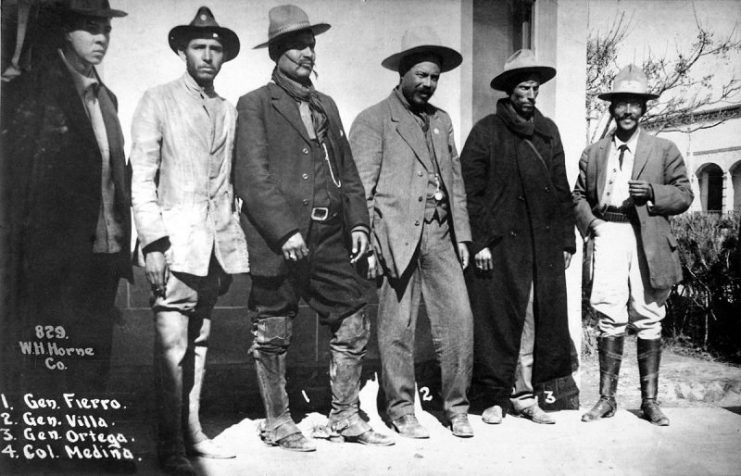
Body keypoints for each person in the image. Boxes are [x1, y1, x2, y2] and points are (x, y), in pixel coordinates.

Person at [234, 4, 394, 452]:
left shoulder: (327, 105)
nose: (307, 53)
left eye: (310, 44)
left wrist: (359, 223)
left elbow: (348, 172)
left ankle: (345, 415)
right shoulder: (255, 104)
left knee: (353, 319)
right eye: (296, 46)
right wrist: (285, 231)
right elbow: (252, 175)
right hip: (279, 240)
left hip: (329, 239)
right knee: (273, 330)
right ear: (277, 53)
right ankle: (278, 421)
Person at [130, 7, 249, 474]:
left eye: (216, 48)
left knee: (198, 343)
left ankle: (192, 434)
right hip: (174, 248)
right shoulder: (157, 100)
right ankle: (168, 445)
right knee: (171, 349)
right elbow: (142, 177)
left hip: (213, 250)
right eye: (199, 46)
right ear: (182, 50)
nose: (207, 55)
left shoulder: (228, 109)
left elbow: (228, 184)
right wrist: (154, 243)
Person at [349, 27, 474, 439]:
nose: (428, 84)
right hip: (394, 238)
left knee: (458, 320)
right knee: (396, 328)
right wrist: (366, 241)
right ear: (402, 73)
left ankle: (457, 408)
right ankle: (402, 409)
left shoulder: (442, 121)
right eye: (421, 75)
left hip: (440, 236)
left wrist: (464, 238)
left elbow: (454, 182)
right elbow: (360, 189)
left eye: (435, 77)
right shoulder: (373, 120)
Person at [4, 0, 131, 393]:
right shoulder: (31, 90)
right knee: (49, 367)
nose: (101, 37)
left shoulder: (108, 98)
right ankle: (51, 448)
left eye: (106, 28)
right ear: (65, 31)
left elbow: (113, 180)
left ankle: (86, 445)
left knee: (93, 359)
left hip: (103, 259)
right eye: (90, 27)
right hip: (52, 263)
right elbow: (17, 186)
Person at [460, 49, 576, 426]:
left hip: (540, 246)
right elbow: (468, 193)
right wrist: (479, 243)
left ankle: (524, 396)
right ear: (509, 90)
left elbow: (561, 190)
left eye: (535, 87)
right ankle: (493, 397)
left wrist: (565, 241)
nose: (530, 94)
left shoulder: (548, 132)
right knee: (496, 320)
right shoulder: (486, 132)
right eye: (524, 87)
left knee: (531, 317)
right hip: (498, 247)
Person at [574, 64, 693, 426]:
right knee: (608, 311)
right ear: (611, 108)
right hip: (607, 230)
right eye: (621, 104)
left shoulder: (663, 149)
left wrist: (655, 192)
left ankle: (650, 402)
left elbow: (685, 194)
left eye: (635, 104)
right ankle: (606, 400)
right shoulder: (594, 153)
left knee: (648, 312)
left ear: (644, 109)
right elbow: (578, 196)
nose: (627, 111)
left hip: (648, 237)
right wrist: (591, 224)